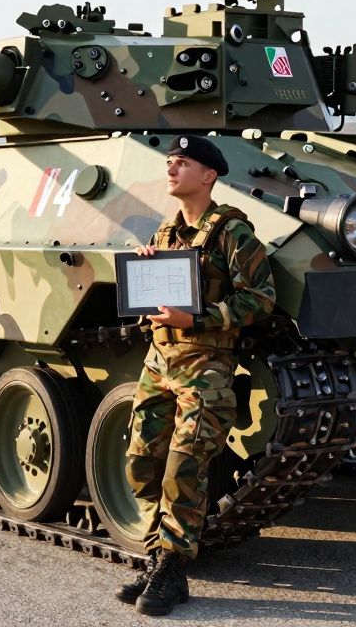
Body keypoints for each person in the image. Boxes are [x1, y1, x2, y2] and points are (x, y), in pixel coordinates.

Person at [118, 136, 275, 616]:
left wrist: (199, 319)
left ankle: (172, 565)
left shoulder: (233, 234)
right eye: (168, 161)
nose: (171, 168)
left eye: (181, 163)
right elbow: (157, 303)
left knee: (184, 466)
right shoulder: (166, 234)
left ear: (208, 175)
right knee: (141, 462)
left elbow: (260, 298)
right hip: (160, 362)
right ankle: (155, 554)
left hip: (206, 367)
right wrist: (145, 278)